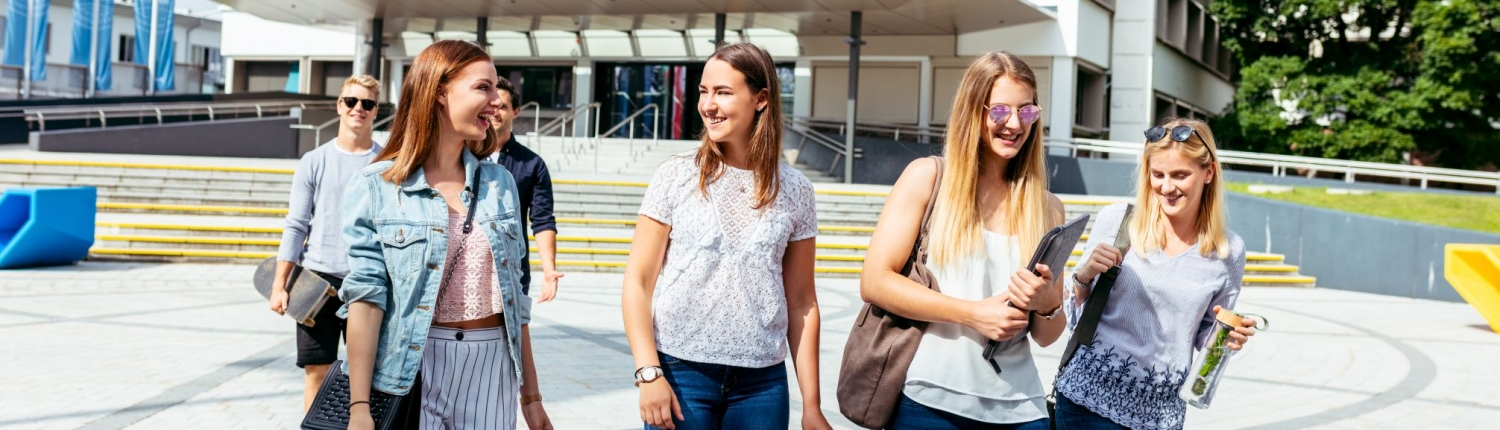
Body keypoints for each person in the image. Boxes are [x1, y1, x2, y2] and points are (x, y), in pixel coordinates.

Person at [339, 40, 552, 430]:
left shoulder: (500, 183)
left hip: (492, 365)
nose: (495, 102)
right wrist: (358, 407)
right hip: (410, 369)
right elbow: (366, 299)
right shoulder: (377, 186)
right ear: (439, 91)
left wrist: (531, 396)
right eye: (482, 87)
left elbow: (516, 299)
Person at [620, 42, 831, 430]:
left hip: (762, 384)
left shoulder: (797, 189)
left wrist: (812, 406)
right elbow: (638, 281)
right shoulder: (675, 175)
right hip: (681, 373)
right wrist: (648, 373)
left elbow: (802, 302)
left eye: (723, 92)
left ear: (761, 98)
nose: (707, 104)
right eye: (703, 91)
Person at [856, 51, 1066, 429]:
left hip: (1022, 408)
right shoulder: (927, 178)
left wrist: (1048, 303)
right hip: (929, 400)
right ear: (973, 111)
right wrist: (973, 314)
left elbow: (1046, 336)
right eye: (1000, 111)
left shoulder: (1048, 208)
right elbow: (875, 281)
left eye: (1027, 112)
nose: (1015, 124)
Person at [1054, 118, 1258, 430]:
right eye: (1157, 174)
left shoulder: (1228, 251)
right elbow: (1072, 313)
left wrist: (1229, 337)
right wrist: (1083, 275)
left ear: (1208, 173)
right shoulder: (1118, 222)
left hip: (1161, 416)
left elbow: (1207, 337)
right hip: (1086, 403)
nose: (1166, 187)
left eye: (1180, 175)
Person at [268, 74, 383, 411]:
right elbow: (296, 225)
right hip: (316, 279)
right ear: (339, 106)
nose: (358, 109)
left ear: (375, 111)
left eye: (367, 104)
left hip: (367, 280)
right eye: (351, 101)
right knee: (316, 370)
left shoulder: (386, 162)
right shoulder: (314, 161)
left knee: (368, 374)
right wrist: (280, 285)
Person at [485, 76, 563, 303]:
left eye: (503, 107)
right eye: (491, 106)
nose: (495, 112)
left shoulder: (532, 164)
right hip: (466, 267)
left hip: (512, 272)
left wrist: (549, 270)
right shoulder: (464, 156)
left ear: (515, 112)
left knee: (514, 337)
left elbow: (542, 220)